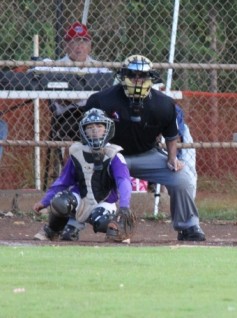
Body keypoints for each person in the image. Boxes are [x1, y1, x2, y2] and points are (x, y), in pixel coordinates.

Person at [84, 54, 206, 241]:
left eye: (143, 76)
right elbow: (87, 131)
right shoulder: (103, 100)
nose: (138, 80)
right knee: (81, 171)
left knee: (181, 179)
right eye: (132, 75)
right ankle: (69, 225)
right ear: (123, 76)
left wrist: (172, 158)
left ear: (151, 78)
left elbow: (171, 135)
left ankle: (188, 226)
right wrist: (95, 157)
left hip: (146, 154)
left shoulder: (163, 104)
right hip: (112, 155)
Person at [32, 108, 133, 242]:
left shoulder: (114, 155)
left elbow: (124, 181)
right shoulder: (77, 152)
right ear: (83, 131)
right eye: (90, 127)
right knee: (60, 202)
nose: (95, 130)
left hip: (104, 202)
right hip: (80, 199)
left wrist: (125, 205)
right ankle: (52, 231)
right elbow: (63, 181)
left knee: (105, 224)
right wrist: (45, 201)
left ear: (107, 129)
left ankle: (118, 231)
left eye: (99, 126)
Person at [30, 21, 111, 140]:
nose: (79, 46)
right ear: (66, 45)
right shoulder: (56, 66)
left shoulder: (99, 68)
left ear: (90, 46)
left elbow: (112, 82)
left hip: (96, 114)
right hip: (68, 115)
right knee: (77, 127)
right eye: (74, 41)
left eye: (83, 41)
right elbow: (33, 72)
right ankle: (73, 157)